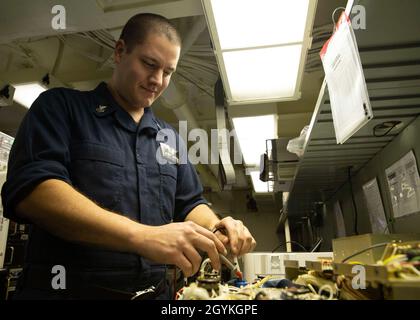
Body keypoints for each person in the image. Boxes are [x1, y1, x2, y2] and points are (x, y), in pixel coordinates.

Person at [1, 13, 256, 299]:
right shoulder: (61, 108)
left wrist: (215, 227)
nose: (157, 80)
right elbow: (34, 192)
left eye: (168, 71)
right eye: (149, 64)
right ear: (120, 52)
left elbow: (189, 202)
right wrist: (143, 236)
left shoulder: (169, 137)